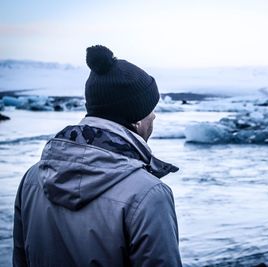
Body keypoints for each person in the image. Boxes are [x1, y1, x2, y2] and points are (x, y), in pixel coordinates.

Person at [13, 45, 182, 267]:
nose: (154, 115)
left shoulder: (33, 178)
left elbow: (20, 260)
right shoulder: (148, 193)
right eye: (151, 108)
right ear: (137, 119)